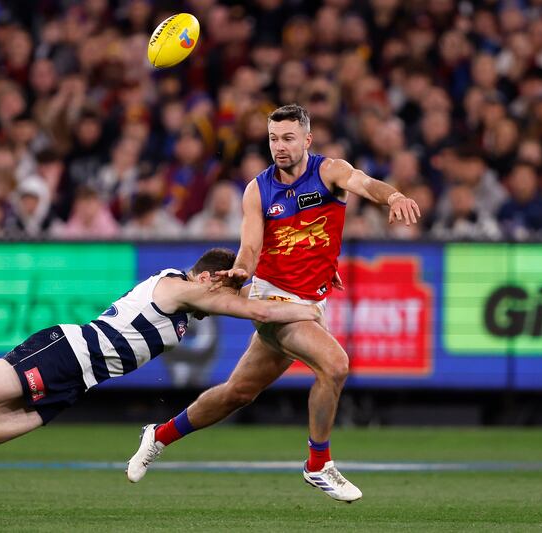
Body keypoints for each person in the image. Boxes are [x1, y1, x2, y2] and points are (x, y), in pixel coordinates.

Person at [0, 248, 323, 518]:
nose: (230, 295)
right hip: (62, 353)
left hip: (73, 384)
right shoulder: (182, 286)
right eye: (227, 283)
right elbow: (248, 306)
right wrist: (309, 307)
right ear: (211, 277)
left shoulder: (189, 304)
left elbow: (240, 303)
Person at [126, 104, 421, 502]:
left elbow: (366, 184)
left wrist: (395, 195)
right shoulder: (257, 189)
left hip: (311, 298)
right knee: (335, 366)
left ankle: (159, 435)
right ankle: (319, 464)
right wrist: (241, 271)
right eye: (273, 139)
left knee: (237, 393)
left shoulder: (330, 171)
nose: (279, 147)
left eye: (288, 138)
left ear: (306, 140)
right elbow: (249, 248)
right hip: (273, 298)